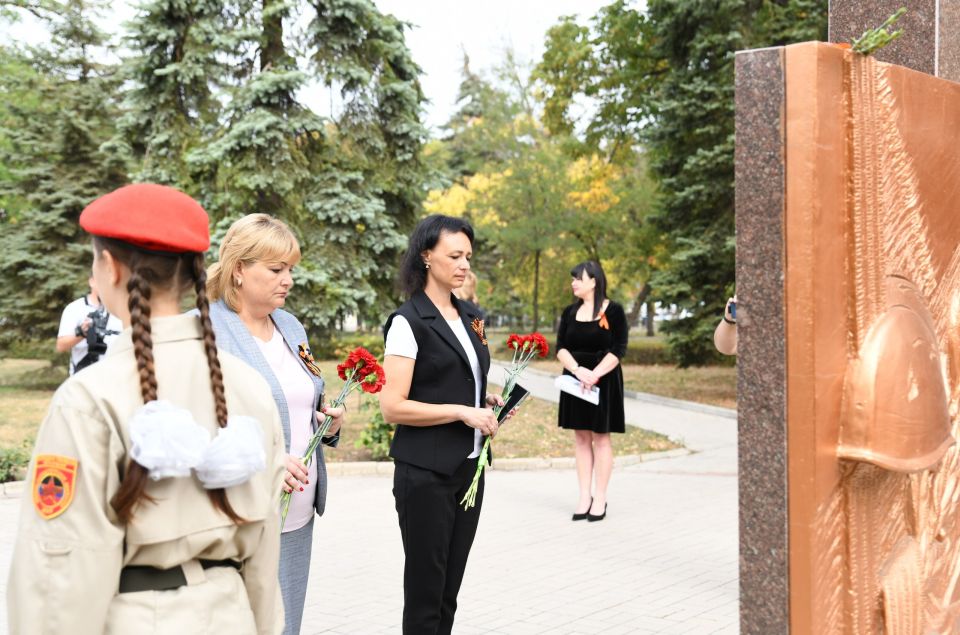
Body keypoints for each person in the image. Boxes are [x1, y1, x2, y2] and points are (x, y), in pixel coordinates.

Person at [7, 183, 287, 634]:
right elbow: (264, 552)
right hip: (231, 615)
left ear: (110, 268)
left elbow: (62, 573)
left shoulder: (88, 398)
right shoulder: (248, 386)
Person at [206, 213, 345, 635]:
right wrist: (265, 461)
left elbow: (306, 399)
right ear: (239, 270)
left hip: (297, 514)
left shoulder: (290, 326)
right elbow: (199, 425)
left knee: (286, 625)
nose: (287, 280)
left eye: (291, 270)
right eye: (276, 269)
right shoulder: (209, 330)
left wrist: (329, 423)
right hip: (240, 513)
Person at [379, 214, 507, 634]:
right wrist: (460, 411)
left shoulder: (470, 315)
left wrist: (483, 401)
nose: (464, 264)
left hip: (469, 471)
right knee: (425, 595)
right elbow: (392, 407)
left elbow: (459, 378)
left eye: (468, 256)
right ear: (426, 257)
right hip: (425, 475)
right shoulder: (408, 322)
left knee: (449, 591)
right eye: (454, 255)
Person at [555, 260, 628, 522]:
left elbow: (619, 349)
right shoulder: (568, 312)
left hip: (604, 380)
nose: (573, 282)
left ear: (594, 281)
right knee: (581, 438)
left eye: (578, 278)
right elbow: (560, 347)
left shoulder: (615, 310)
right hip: (575, 381)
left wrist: (595, 373)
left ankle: (600, 497)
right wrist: (577, 371)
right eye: (573, 278)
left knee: (601, 438)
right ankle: (584, 496)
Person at [56, 276, 123, 374]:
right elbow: (61, 346)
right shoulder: (75, 308)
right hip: (83, 375)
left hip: (114, 376)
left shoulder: (120, 309)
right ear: (92, 281)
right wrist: (82, 333)